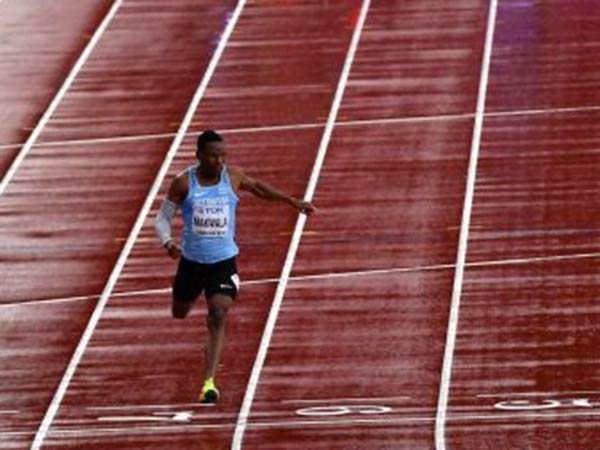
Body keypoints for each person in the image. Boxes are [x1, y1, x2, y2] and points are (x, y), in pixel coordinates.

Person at [154, 130, 316, 403]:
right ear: (199, 156)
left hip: (223, 261)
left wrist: (293, 202)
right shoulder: (183, 183)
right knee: (179, 311)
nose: (219, 161)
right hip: (191, 263)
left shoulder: (232, 177)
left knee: (218, 313)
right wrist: (168, 243)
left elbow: (258, 188)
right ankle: (188, 296)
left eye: (223, 155)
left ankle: (209, 382)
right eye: (213, 156)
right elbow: (162, 218)